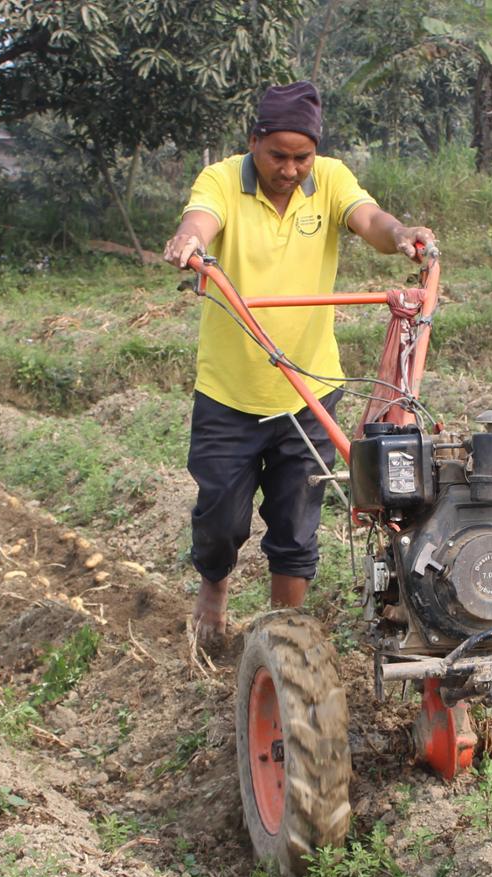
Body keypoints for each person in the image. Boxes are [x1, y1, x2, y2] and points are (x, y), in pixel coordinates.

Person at [162, 80, 436, 647]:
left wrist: (403, 236)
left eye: (301, 157)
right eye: (277, 156)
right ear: (253, 141)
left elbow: (371, 221)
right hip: (229, 393)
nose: (290, 169)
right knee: (221, 521)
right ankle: (214, 588)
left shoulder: (330, 179)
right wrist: (188, 241)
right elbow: (201, 220)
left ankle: (280, 637)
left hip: (309, 390)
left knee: (296, 523)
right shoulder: (221, 180)